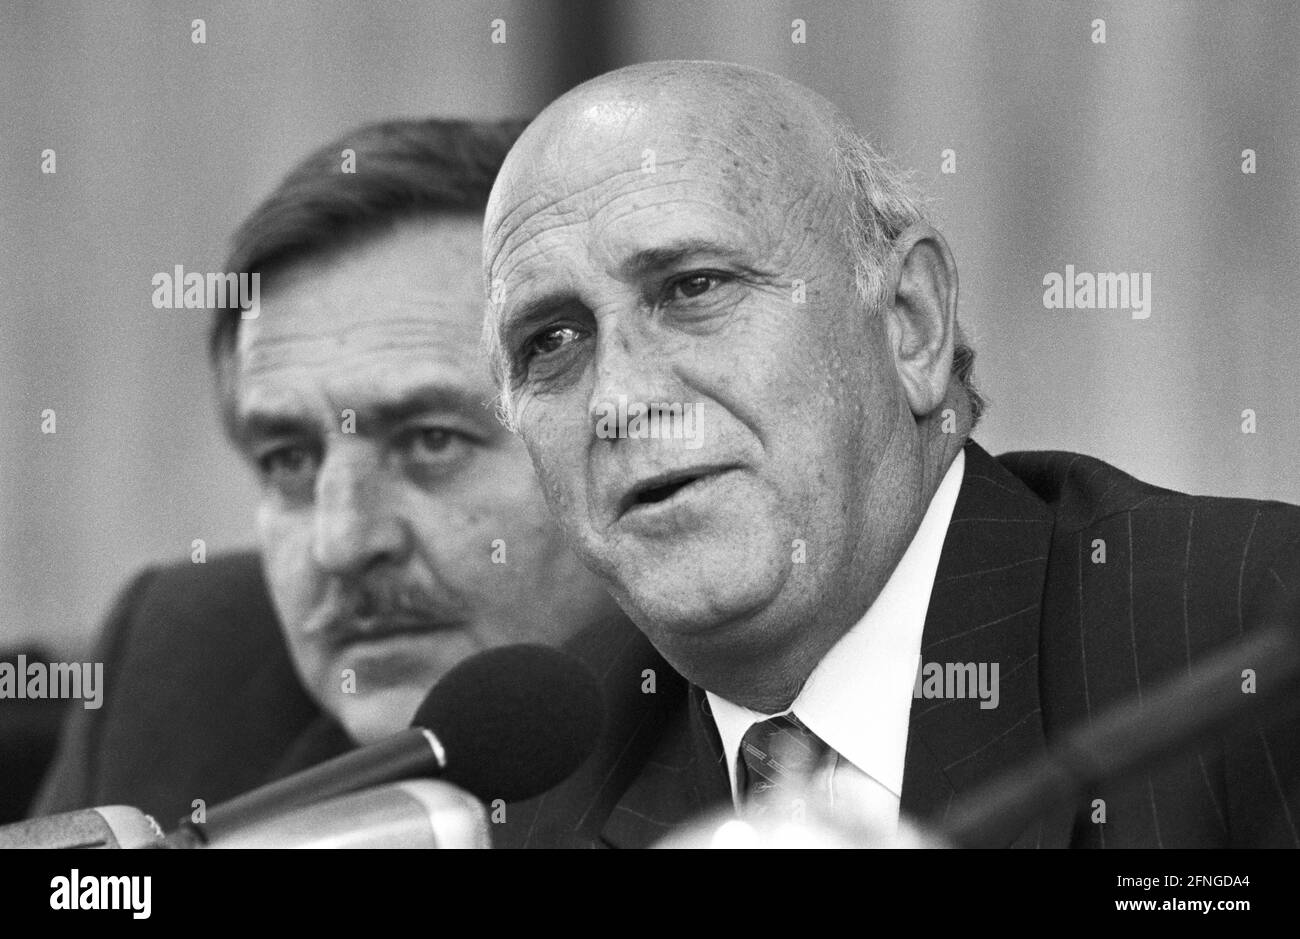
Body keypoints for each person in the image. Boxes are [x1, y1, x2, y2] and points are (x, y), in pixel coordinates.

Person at [480, 61, 1300, 847]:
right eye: (550, 340)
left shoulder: (1244, 633)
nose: (620, 402)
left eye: (693, 287)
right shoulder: (539, 784)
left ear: (911, 322)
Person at [31, 119, 671, 846]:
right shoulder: (181, 672)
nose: (343, 542)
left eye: (432, 441)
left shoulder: (748, 735)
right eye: (289, 460)